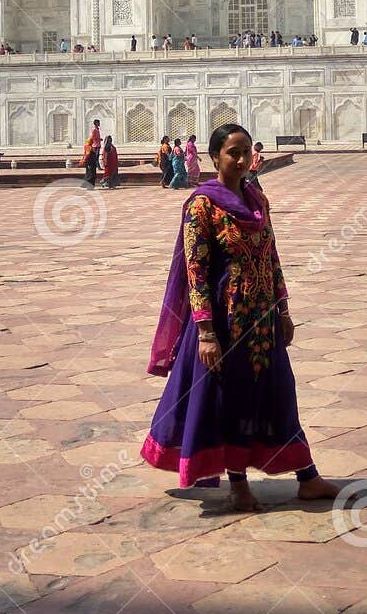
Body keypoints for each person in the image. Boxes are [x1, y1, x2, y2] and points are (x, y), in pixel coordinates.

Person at [141, 123, 339, 511]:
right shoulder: (202, 205)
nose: (242, 159)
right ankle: (238, 484)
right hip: (225, 322)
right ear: (215, 157)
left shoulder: (256, 200)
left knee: (280, 391)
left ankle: (307, 476)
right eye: (234, 152)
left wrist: (283, 308)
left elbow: (272, 255)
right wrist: (205, 333)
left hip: (262, 319)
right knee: (230, 399)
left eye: (246, 151)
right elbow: (195, 270)